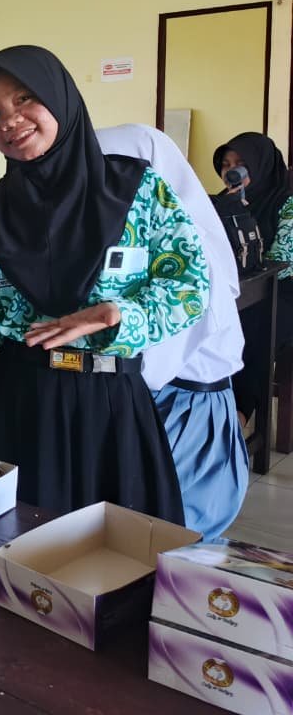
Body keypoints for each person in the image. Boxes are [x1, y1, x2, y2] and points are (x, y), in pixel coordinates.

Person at [0, 45, 208, 523]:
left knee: (123, 557)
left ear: (61, 98)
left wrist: (120, 315)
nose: (9, 120)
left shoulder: (138, 190)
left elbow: (190, 286)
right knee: (8, 553)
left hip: (111, 406)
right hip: (18, 402)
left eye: (24, 99)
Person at [98, 124, 247, 540]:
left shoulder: (187, 242)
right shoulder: (149, 231)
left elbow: (165, 350)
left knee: (172, 524)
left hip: (188, 408)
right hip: (172, 398)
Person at [214, 131, 293, 428]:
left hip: (282, 291)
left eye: (241, 162)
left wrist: (246, 221)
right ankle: (206, 405)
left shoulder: (286, 204)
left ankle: (239, 413)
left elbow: (284, 264)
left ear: (261, 166)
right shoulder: (218, 203)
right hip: (235, 291)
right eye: (226, 163)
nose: (231, 170)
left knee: (257, 325)